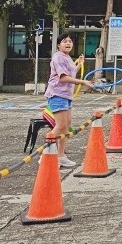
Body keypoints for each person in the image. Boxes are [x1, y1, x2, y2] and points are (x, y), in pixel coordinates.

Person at [44, 33, 94, 168]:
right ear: (58, 44)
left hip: (66, 95)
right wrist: (83, 82)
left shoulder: (67, 58)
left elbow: (70, 74)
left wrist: (78, 65)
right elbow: (63, 78)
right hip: (57, 94)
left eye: (70, 41)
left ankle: (61, 156)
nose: (68, 43)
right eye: (65, 41)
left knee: (66, 125)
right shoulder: (58, 57)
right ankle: (45, 155)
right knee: (60, 125)